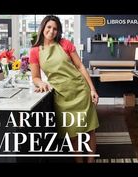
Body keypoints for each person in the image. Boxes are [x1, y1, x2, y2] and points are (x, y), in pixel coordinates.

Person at [29, 15, 99, 163]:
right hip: (61, 96)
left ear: (58, 31)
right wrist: (40, 83)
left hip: (80, 90)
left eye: (55, 28)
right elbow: (35, 76)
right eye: (49, 27)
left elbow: (80, 67)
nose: (52, 31)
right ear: (43, 28)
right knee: (72, 133)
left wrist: (92, 89)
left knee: (89, 129)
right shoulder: (35, 51)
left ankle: (91, 160)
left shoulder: (65, 44)